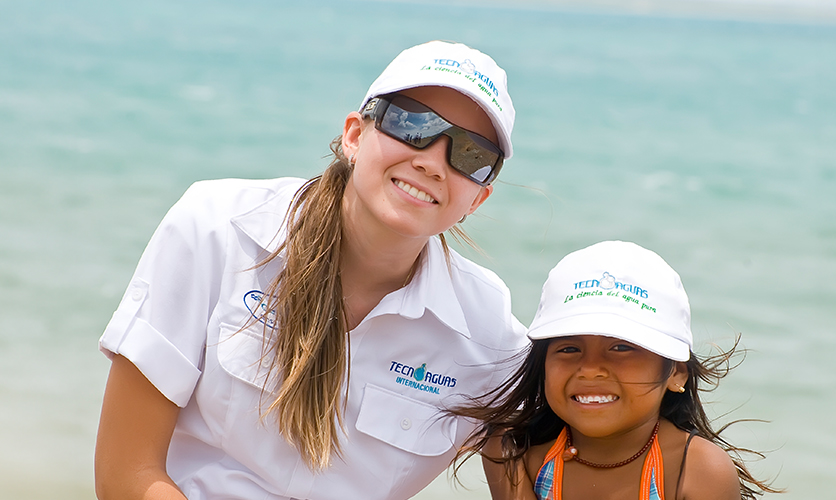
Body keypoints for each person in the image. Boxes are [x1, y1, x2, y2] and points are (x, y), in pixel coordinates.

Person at [94, 40, 528, 500]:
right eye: (412, 124)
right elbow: (128, 474)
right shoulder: (215, 229)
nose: (432, 162)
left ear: (477, 199)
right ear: (355, 136)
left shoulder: (490, 338)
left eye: (471, 154)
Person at [452, 241, 780, 500]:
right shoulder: (514, 454)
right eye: (569, 348)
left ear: (677, 373)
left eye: (622, 347)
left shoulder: (696, 469)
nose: (591, 368)